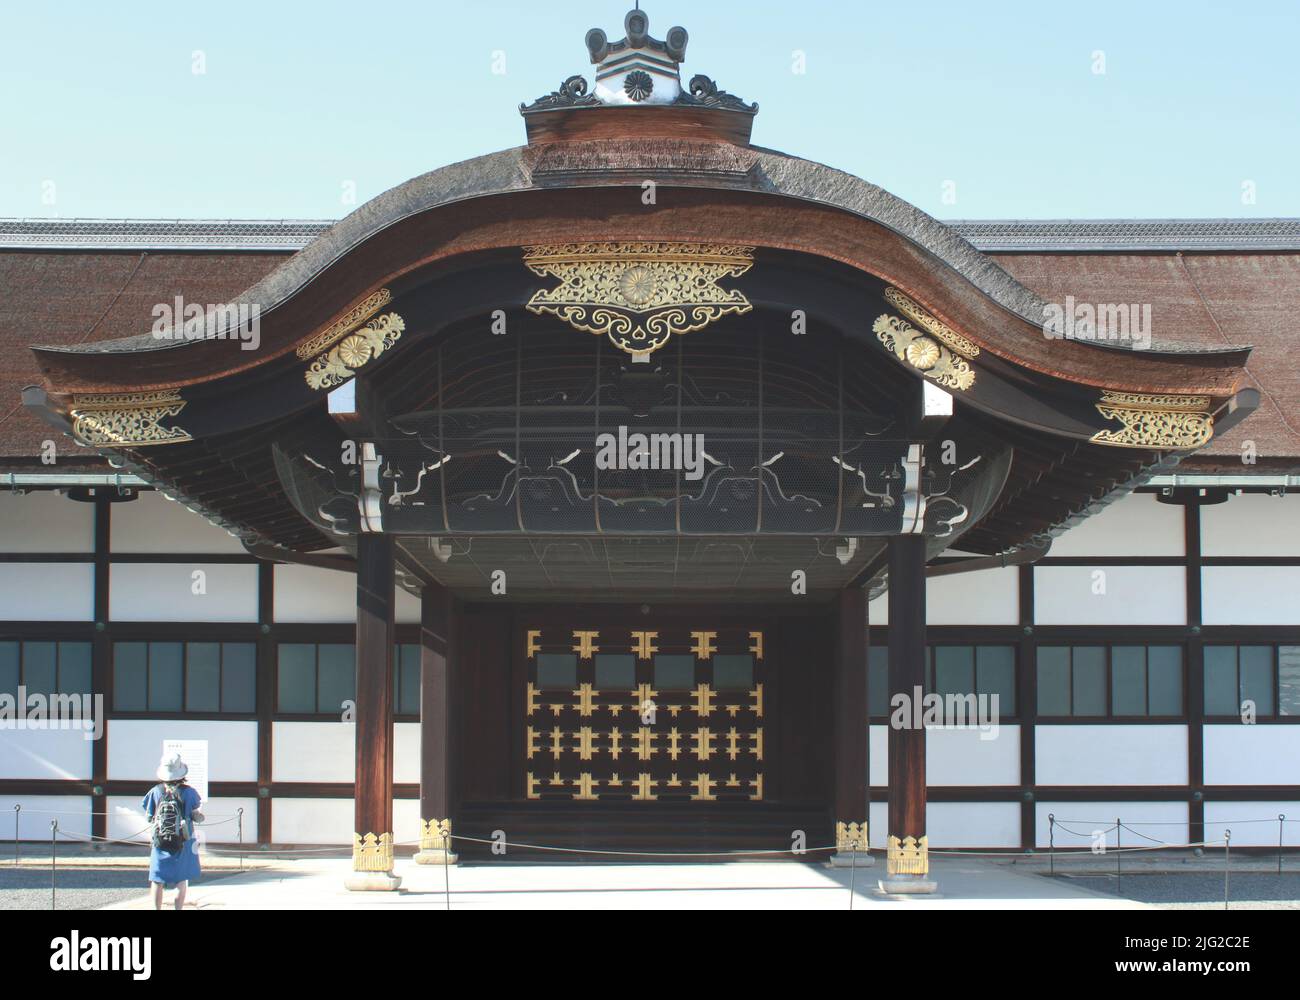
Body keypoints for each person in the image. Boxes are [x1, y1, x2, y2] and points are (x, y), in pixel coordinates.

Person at [142, 753, 204, 910]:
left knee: (157, 879)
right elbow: (196, 815)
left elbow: (149, 817)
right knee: (181, 879)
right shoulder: (189, 792)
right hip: (183, 839)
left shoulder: (155, 791)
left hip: (160, 840)